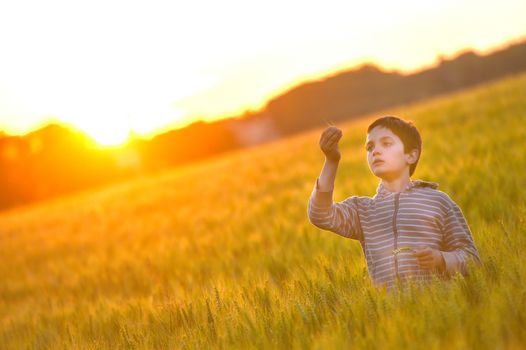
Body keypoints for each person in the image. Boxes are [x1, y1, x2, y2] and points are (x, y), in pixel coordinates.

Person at [307, 115, 482, 292]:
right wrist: (331, 161)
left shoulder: (438, 201)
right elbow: (320, 215)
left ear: (411, 155)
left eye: (387, 143)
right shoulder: (363, 211)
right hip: (390, 315)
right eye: (370, 147)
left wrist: (441, 259)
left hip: (436, 310)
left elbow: (473, 260)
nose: (375, 151)